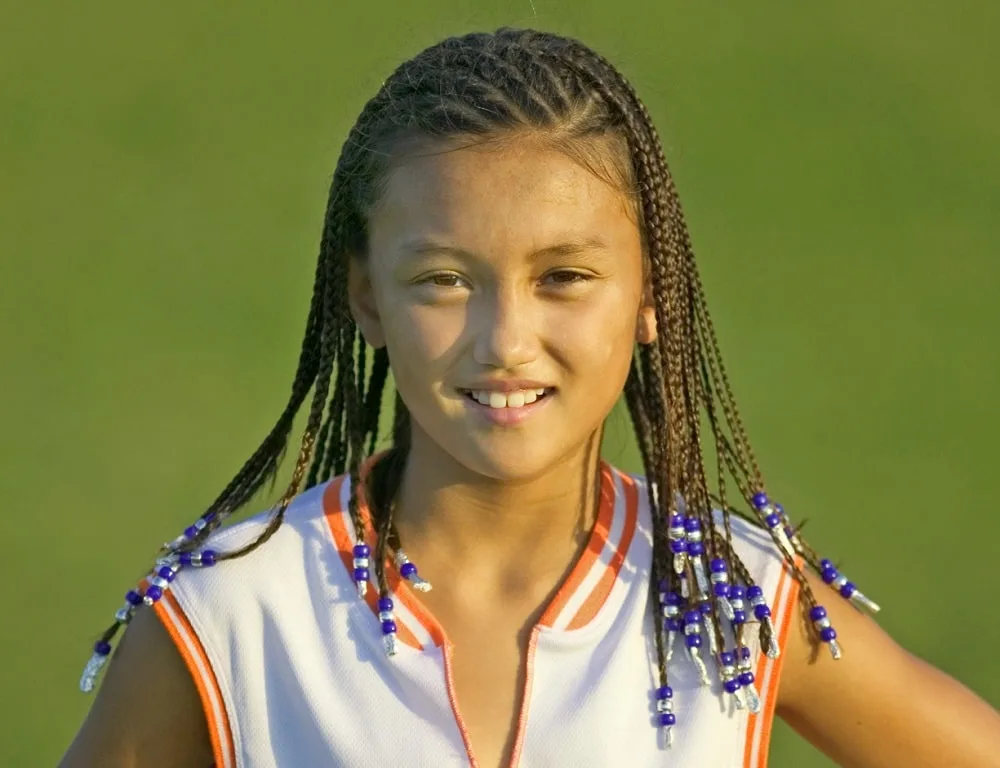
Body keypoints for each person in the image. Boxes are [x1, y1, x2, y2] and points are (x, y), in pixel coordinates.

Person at [60, 27, 1000, 768]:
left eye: (564, 276)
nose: (505, 341)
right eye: (440, 279)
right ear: (365, 298)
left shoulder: (733, 600)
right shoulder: (230, 614)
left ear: (648, 296)